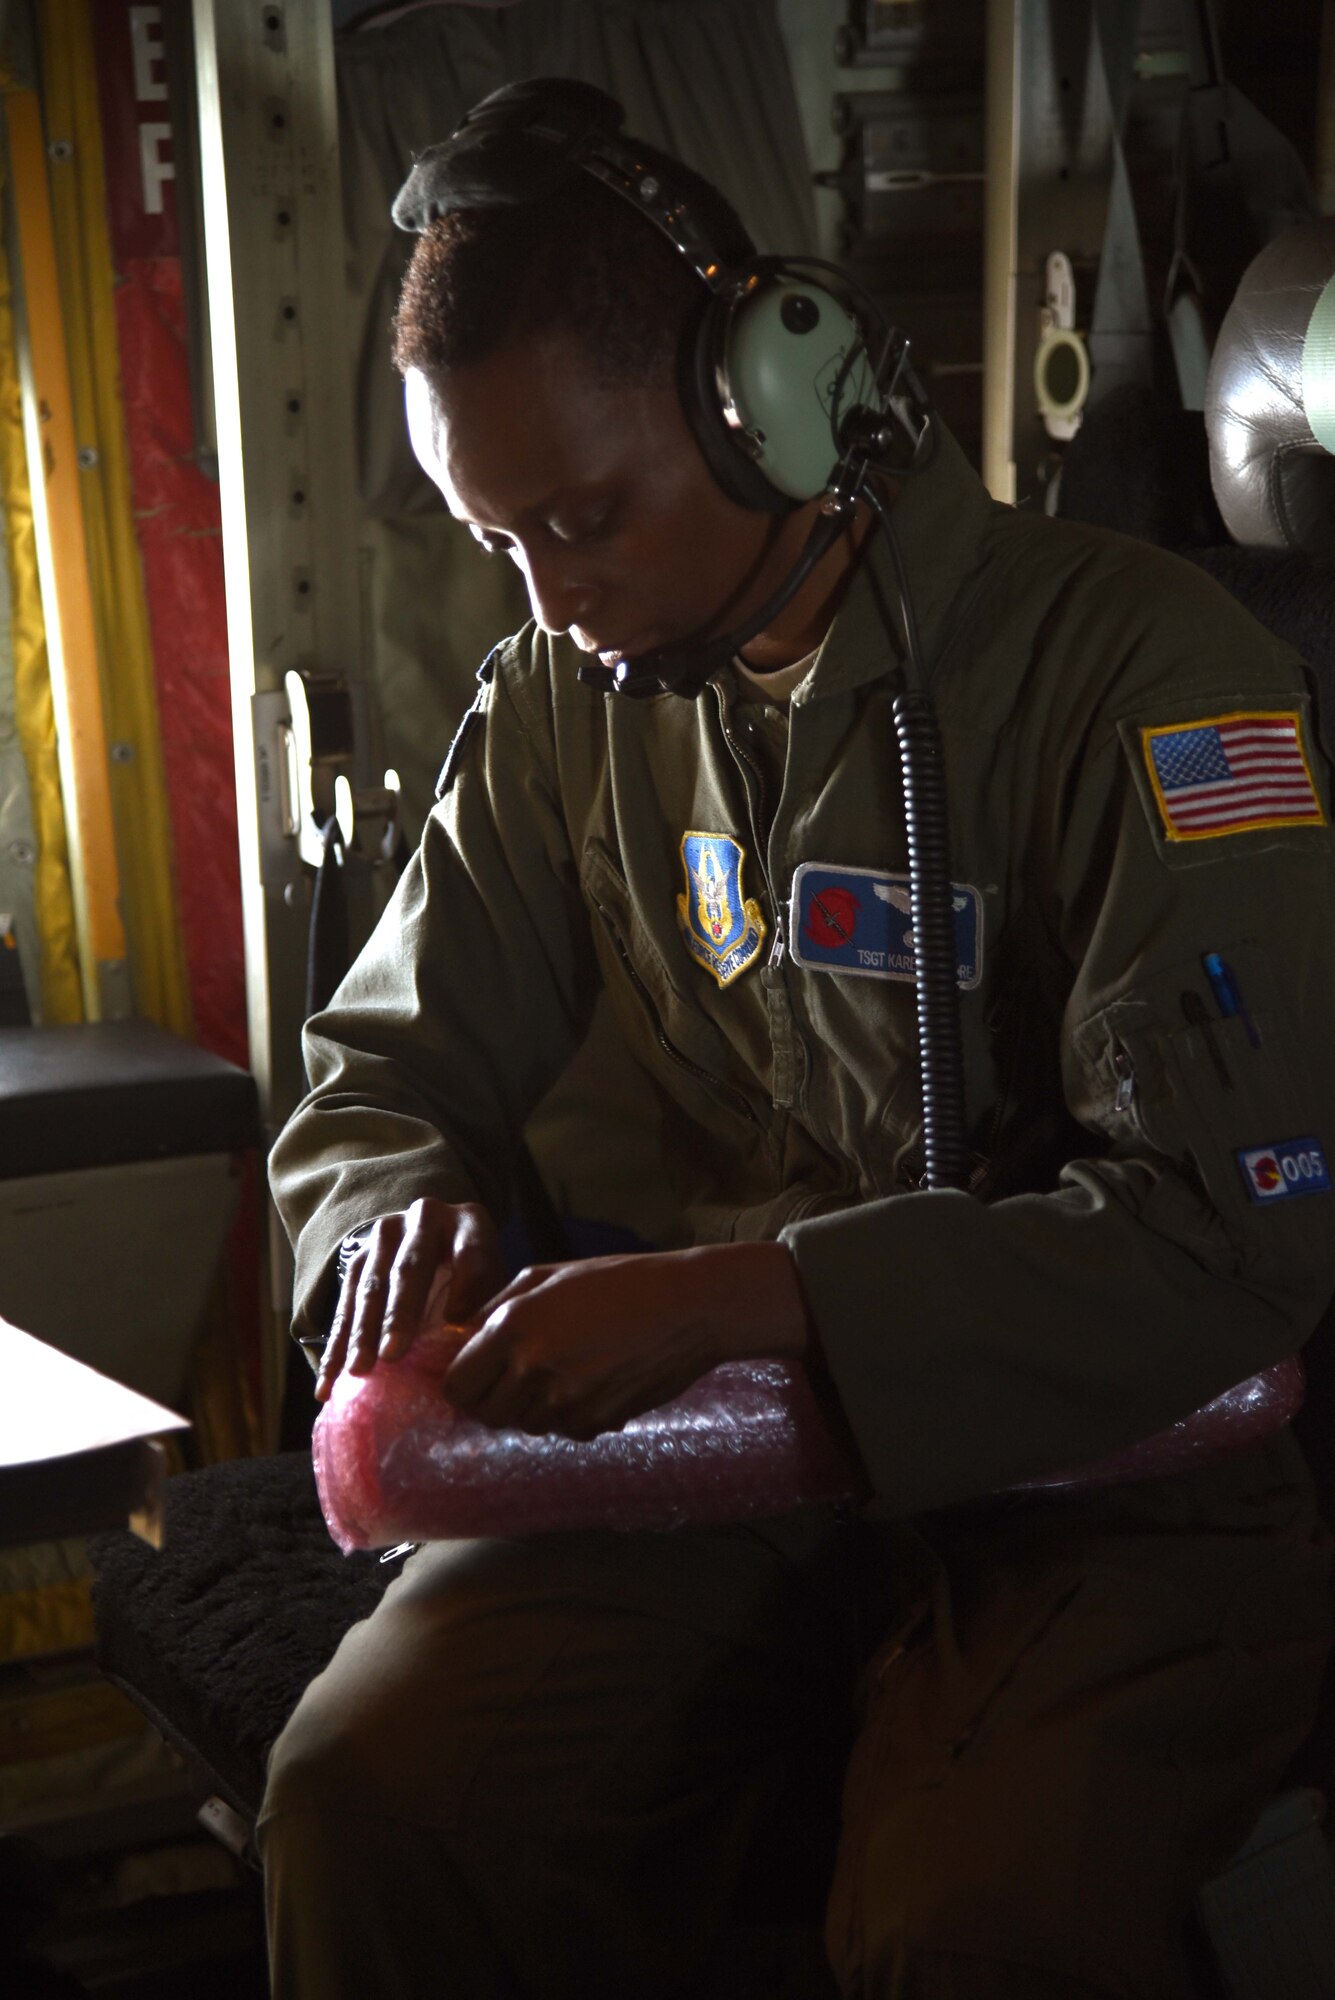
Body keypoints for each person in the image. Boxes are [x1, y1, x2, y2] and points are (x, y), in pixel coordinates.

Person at [262, 78, 1335, 2000]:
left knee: (965, 1928)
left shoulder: (1152, 675)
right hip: (724, 1453)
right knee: (375, 1799)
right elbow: (381, 1068)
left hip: (1118, 1476)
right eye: (498, 541)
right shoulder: (565, 702)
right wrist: (383, 1220)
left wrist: (756, 1293)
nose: (550, 598)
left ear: (764, 400)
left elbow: (1231, 1238)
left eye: (584, 518)